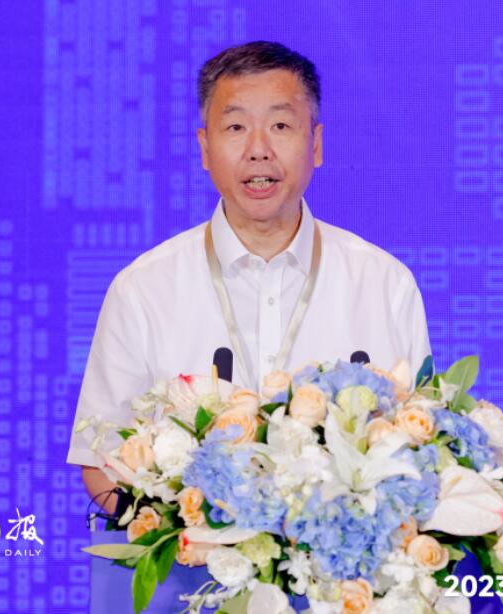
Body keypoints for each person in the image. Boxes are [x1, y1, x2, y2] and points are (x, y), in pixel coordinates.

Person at [67, 40, 432, 613]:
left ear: (316, 144)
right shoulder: (143, 290)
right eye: (235, 128)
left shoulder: (384, 284)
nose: (259, 150)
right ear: (204, 147)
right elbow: (102, 460)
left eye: (281, 126)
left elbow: (423, 452)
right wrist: (191, 533)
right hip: (189, 594)